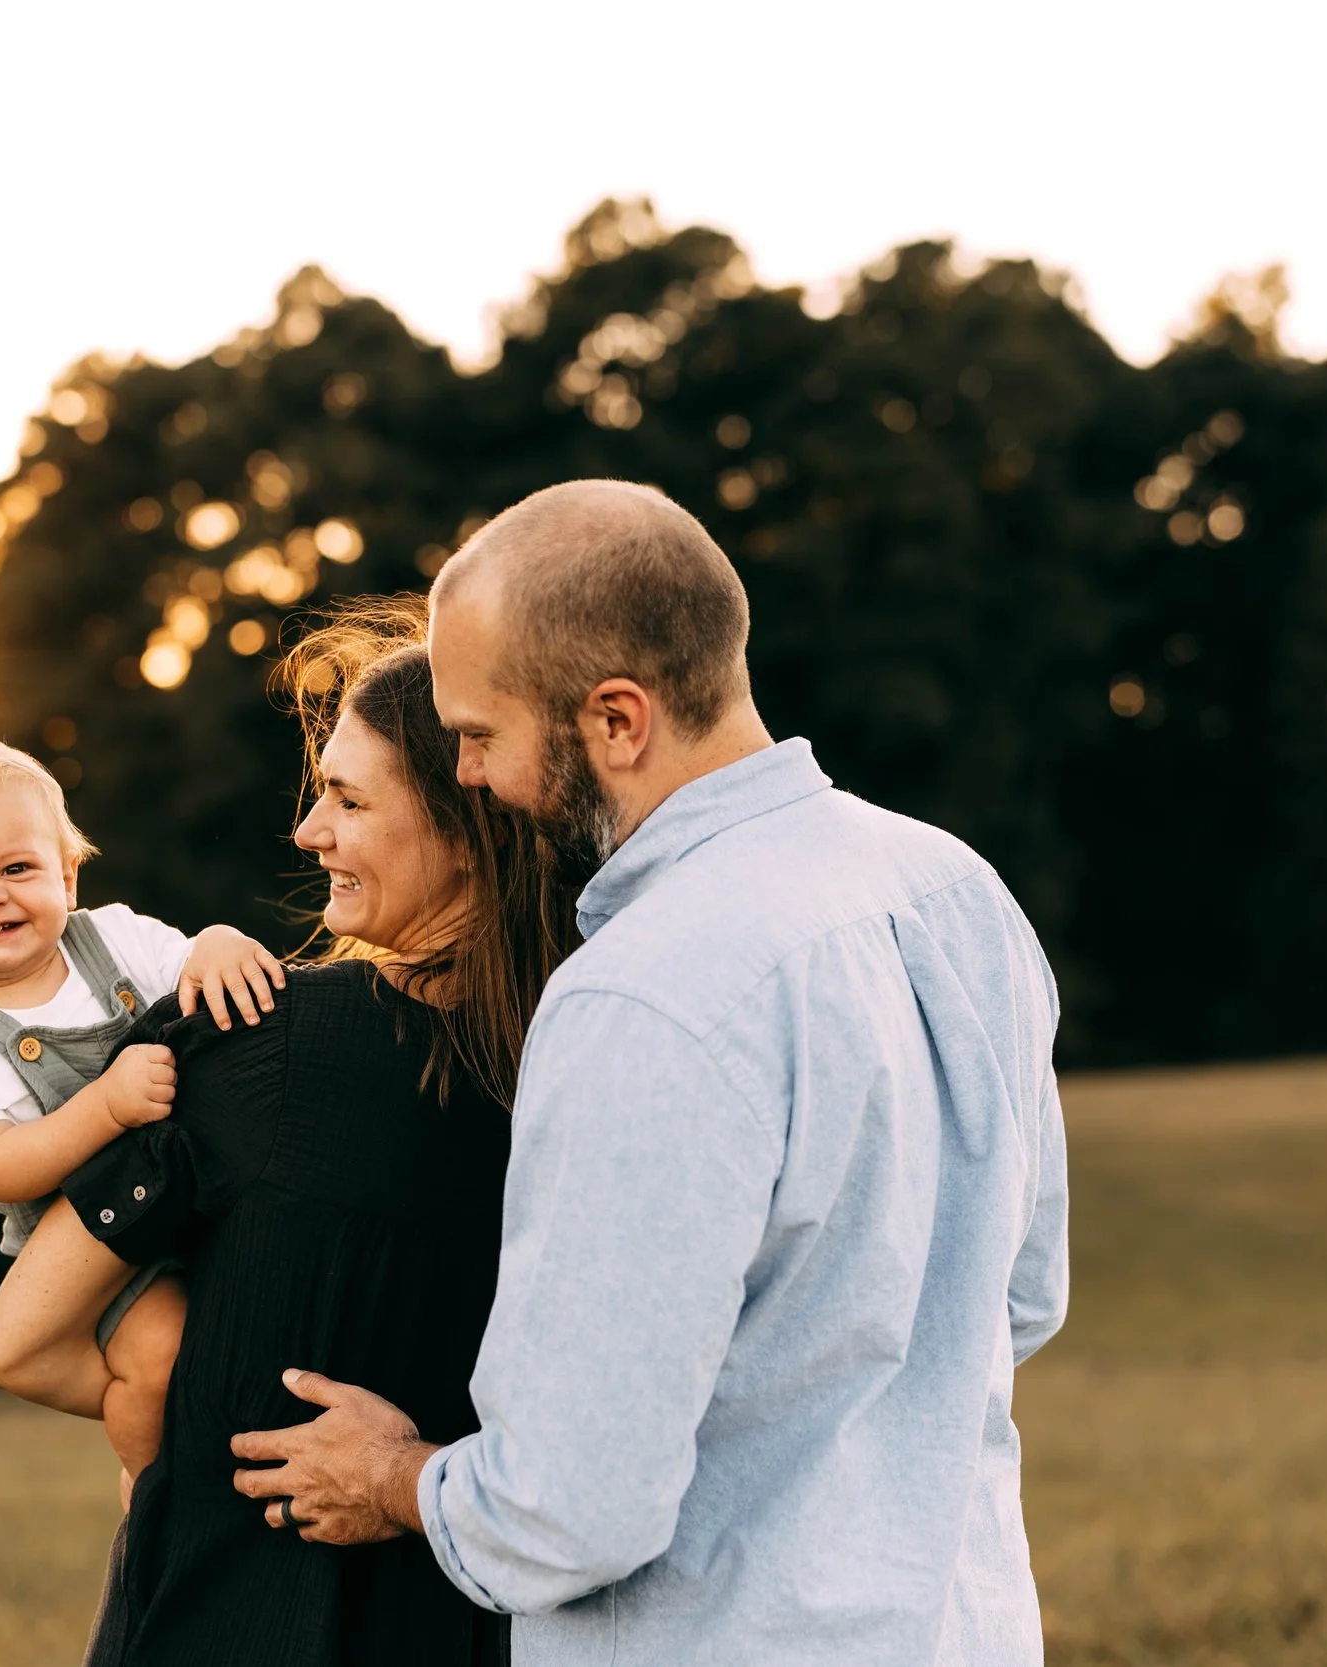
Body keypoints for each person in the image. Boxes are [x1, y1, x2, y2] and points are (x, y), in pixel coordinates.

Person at [230, 481, 1073, 1666]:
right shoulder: (952, 889)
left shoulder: (644, 990)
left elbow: (570, 1503)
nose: (468, 776)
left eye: (479, 735)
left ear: (615, 721)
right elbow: (1019, 1295)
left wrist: (394, 1474)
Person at [0, 605, 578, 1665]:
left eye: (347, 798)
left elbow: (16, 1342)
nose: (308, 831)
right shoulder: (594, 1074)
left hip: (230, 1621)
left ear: (467, 821)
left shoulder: (254, 1047)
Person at [0, 733, 285, 1481]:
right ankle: (156, 1501)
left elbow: (197, 963)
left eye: (18, 867)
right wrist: (108, 1105)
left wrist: (220, 939)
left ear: (67, 875)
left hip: (206, 1201)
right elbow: (1, 1167)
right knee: (158, 1360)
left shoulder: (116, 938)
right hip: (101, 1255)